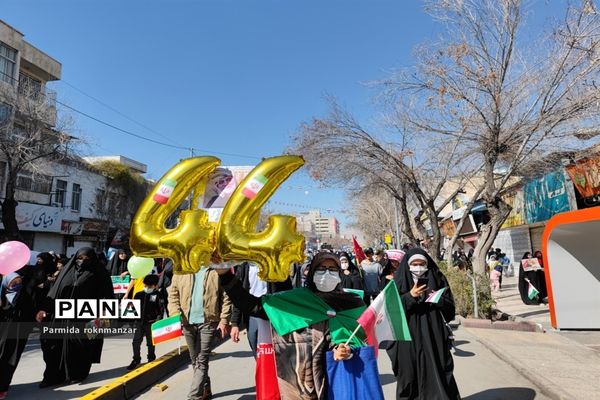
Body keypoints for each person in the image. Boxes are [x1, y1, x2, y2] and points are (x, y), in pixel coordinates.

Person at [216, 252, 369, 399]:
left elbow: (361, 341)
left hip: (339, 382)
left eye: (332, 269)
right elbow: (253, 307)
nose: (326, 274)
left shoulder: (353, 303)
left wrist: (345, 350)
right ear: (311, 272)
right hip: (299, 387)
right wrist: (225, 275)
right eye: (321, 269)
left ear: (339, 274)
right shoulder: (297, 300)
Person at [387, 248, 461, 400]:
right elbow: (389, 310)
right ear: (408, 266)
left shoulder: (437, 279)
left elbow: (450, 309)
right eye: (414, 264)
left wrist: (437, 298)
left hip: (433, 333)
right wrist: (410, 296)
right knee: (408, 375)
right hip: (407, 335)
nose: (418, 267)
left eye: (422, 264)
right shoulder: (398, 282)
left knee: (438, 369)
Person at [35, 247, 114, 387]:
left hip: (86, 316)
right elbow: (54, 292)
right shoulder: (66, 272)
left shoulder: (100, 273)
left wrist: (103, 320)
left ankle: (78, 374)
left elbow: (108, 296)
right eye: (80, 258)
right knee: (53, 346)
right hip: (60, 316)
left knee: (81, 346)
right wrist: (44, 309)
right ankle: (53, 376)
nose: (82, 261)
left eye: (86, 259)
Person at [167, 258, 231, 400]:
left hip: (209, 321)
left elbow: (226, 297)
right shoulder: (181, 268)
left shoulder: (216, 269)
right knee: (195, 360)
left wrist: (224, 320)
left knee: (202, 360)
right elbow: (173, 295)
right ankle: (205, 388)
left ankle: (193, 396)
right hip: (187, 322)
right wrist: (174, 315)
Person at [229, 261, 292, 357]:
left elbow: (287, 291)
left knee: (277, 349)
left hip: (273, 313)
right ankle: (262, 370)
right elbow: (238, 298)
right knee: (256, 348)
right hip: (252, 313)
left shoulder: (275, 265)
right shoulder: (243, 268)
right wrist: (234, 324)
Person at [0, 272, 38, 399]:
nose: (17, 285)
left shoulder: (24, 296)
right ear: (6, 283)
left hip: (17, 335)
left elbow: (30, 313)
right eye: (14, 282)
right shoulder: (1, 295)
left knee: (10, 360)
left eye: (19, 282)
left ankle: (3, 387)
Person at [127, 274, 164, 370]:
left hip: (151, 322)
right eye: (146, 285)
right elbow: (133, 309)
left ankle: (151, 358)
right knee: (135, 342)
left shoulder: (157, 295)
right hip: (139, 323)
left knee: (150, 343)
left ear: (154, 286)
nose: (147, 287)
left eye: (150, 286)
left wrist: (158, 321)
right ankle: (136, 359)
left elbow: (161, 309)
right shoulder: (139, 294)